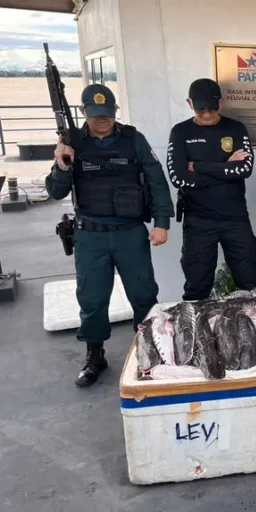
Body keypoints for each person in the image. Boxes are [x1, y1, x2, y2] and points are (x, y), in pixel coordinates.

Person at [45, 83, 174, 387]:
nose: (102, 120)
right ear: (83, 112)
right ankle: (95, 355)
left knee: (143, 294)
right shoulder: (72, 141)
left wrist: (162, 222)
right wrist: (61, 165)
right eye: (95, 115)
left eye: (107, 114)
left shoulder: (133, 139)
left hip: (130, 233)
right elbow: (56, 192)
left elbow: (156, 180)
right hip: (90, 236)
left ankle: (149, 350)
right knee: (92, 298)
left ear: (115, 111)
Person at [166, 78, 256, 300]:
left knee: (248, 281)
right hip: (198, 220)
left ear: (221, 103)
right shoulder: (180, 132)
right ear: (190, 103)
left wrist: (198, 167)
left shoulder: (235, 128)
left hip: (235, 218)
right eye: (201, 109)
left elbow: (244, 169)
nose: (207, 114)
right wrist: (226, 167)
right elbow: (178, 177)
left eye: (212, 108)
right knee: (197, 285)